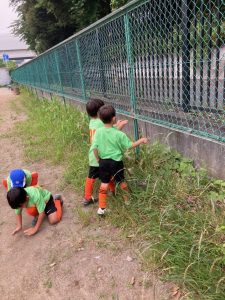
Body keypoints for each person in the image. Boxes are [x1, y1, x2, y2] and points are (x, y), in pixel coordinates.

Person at [91, 104, 148, 215]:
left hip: (103, 162)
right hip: (116, 163)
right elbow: (129, 146)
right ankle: (127, 201)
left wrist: (98, 159)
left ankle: (102, 208)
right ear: (114, 118)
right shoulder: (119, 134)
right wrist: (141, 140)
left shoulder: (98, 132)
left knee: (104, 183)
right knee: (121, 181)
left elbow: (94, 148)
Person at [83, 99, 127, 206]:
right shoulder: (99, 123)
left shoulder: (92, 122)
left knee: (104, 175)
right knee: (97, 176)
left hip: (94, 154)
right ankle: (88, 197)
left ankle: (111, 192)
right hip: (97, 156)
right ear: (100, 113)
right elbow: (110, 132)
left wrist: (115, 124)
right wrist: (119, 126)